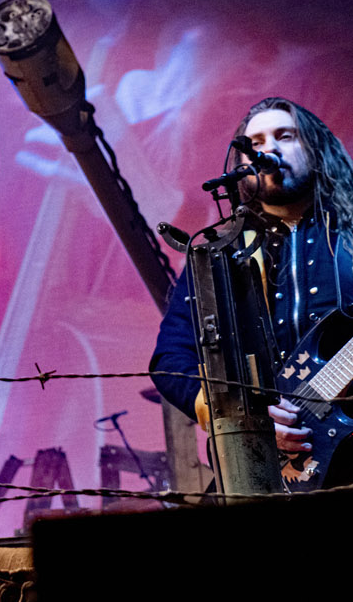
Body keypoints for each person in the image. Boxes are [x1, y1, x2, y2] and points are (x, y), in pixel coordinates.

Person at [150, 97, 353, 461]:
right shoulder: (217, 255)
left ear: (315, 147)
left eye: (285, 136)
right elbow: (171, 359)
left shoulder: (347, 235)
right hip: (261, 465)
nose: (268, 149)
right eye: (255, 143)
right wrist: (243, 416)